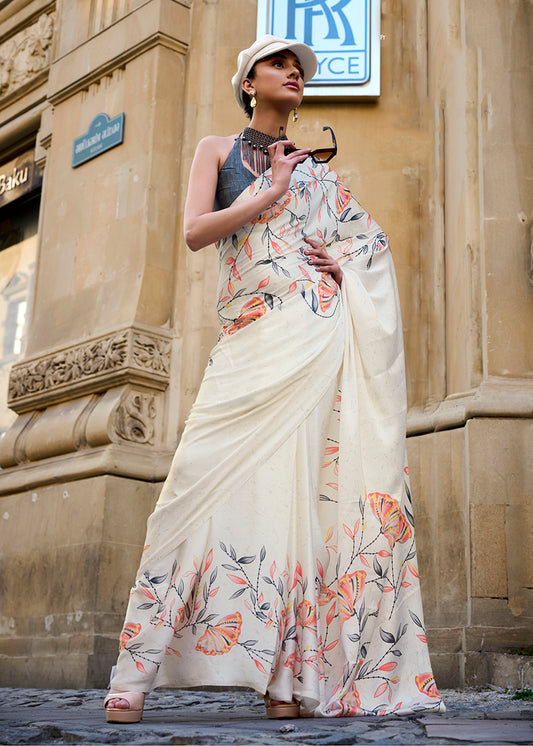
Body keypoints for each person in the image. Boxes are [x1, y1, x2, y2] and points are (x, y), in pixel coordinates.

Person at [104, 35, 445, 722]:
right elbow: (196, 233)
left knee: (298, 500)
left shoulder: (319, 176)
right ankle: (132, 673)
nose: (293, 73)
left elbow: (365, 243)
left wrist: (346, 271)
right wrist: (270, 193)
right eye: (279, 64)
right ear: (248, 81)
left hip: (313, 335)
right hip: (248, 340)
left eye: (299, 69)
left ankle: (283, 680)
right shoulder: (217, 150)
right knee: (189, 490)